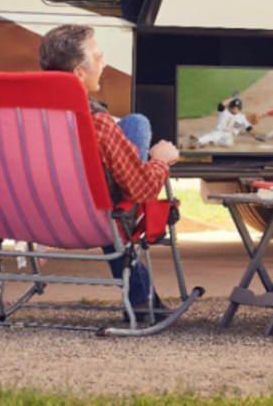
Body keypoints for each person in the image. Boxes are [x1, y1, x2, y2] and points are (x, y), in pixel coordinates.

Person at [39, 24, 179, 313]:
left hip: (37, 214)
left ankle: (141, 297)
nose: (104, 64)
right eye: (100, 58)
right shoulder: (97, 123)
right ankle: (141, 298)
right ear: (79, 73)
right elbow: (141, 188)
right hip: (94, 218)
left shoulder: (21, 117)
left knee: (135, 123)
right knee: (138, 129)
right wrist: (160, 161)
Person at [189, 95, 258, 148]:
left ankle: (211, 141)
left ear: (240, 108)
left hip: (230, 135)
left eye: (237, 107)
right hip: (220, 131)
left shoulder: (242, 117)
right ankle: (196, 142)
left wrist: (255, 135)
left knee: (228, 144)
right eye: (234, 107)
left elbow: (249, 128)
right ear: (230, 106)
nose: (235, 109)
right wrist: (232, 98)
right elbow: (221, 105)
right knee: (212, 136)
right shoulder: (224, 112)